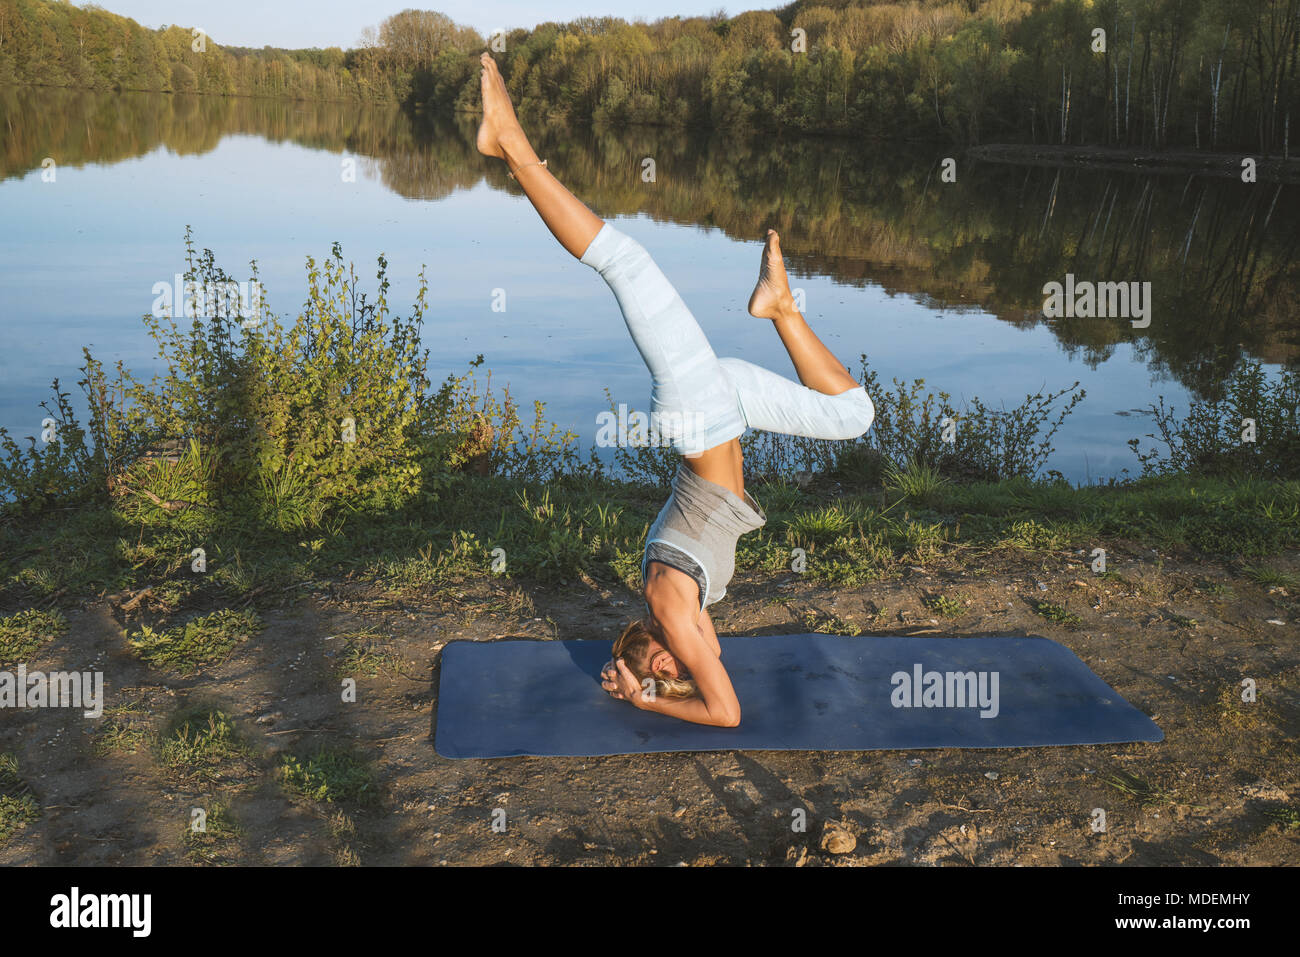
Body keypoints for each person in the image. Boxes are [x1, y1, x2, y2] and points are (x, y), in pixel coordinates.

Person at [476, 52, 875, 727]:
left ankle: (512, 147)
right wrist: (652, 683)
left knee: (626, 262)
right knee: (853, 415)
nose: (674, 666)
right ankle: (779, 307)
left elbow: (727, 713)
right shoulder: (682, 614)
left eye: (656, 663)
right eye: (664, 670)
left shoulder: (670, 607)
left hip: (701, 415)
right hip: (730, 406)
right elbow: (709, 658)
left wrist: (645, 695)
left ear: (653, 647)